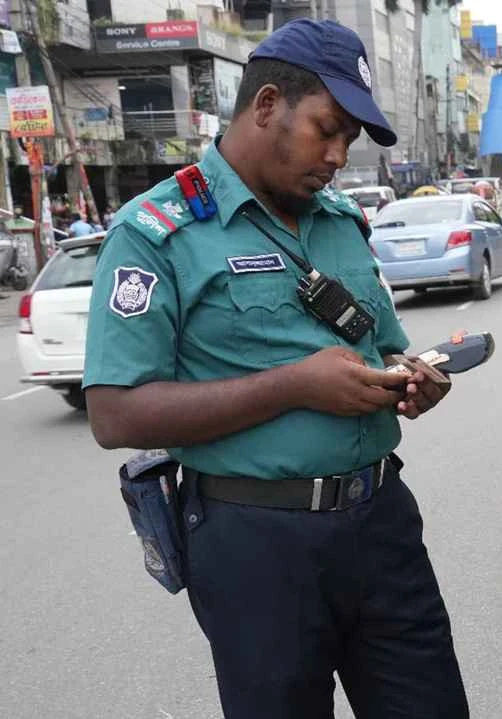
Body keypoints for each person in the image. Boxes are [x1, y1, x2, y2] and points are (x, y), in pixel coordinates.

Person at [82, 19, 469, 719]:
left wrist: (407, 376)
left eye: (349, 139)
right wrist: (295, 384)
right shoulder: (157, 233)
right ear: (265, 106)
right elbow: (116, 413)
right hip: (255, 540)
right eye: (327, 129)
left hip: (381, 523)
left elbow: (383, 346)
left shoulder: (341, 221)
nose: (337, 154)